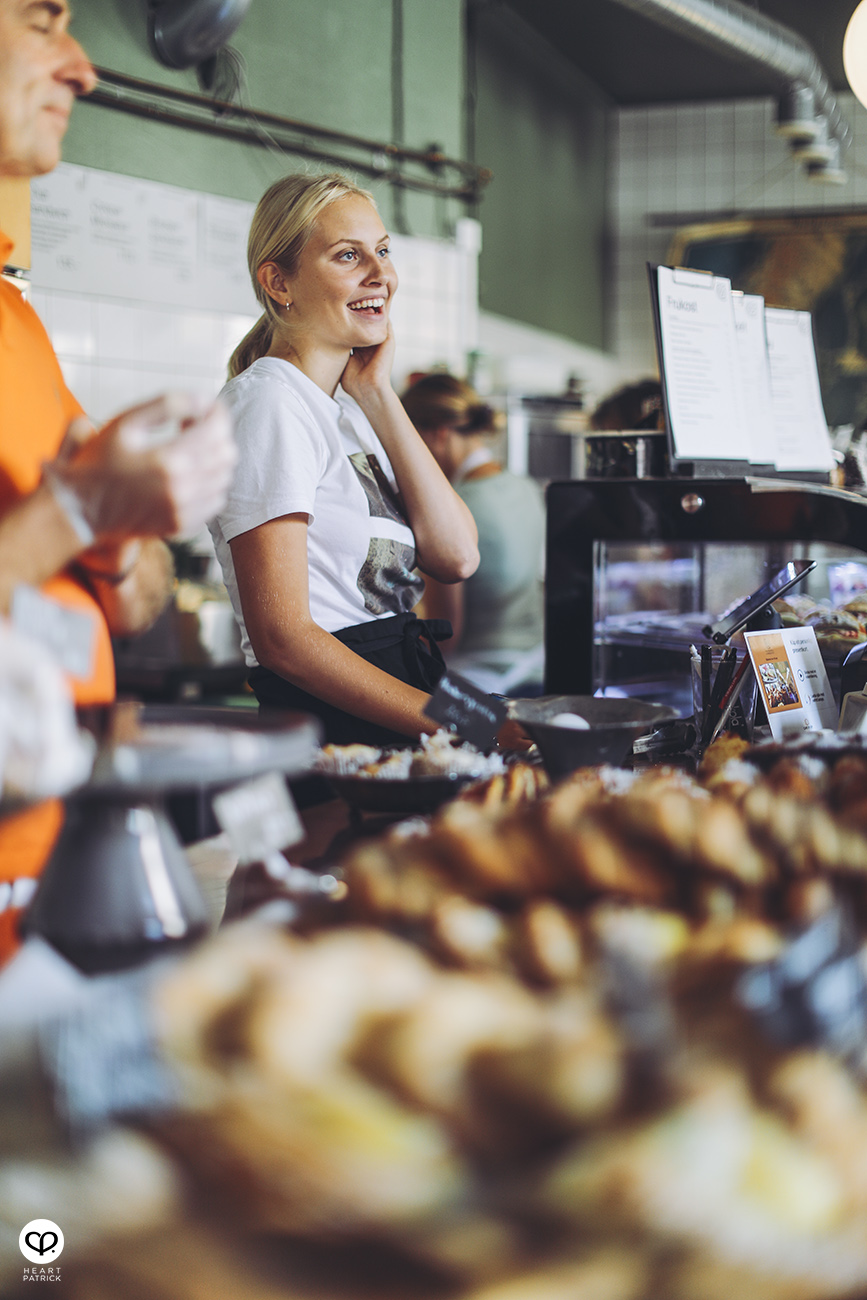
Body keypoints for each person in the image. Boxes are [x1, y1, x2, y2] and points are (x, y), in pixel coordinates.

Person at [0, 0, 238, 961]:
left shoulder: (20, 330)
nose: (85, 69)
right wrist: (76, 510)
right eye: (40, 22)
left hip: (43, 889)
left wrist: (116, 528)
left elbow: (132, 601)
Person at [208, 171, 503, 749]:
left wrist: (377, 393)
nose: (381, 275)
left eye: (384, 251)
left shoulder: (346, 407)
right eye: (348, 255)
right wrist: (473, 724)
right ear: (279, 282)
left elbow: (458, 555)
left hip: (405, 688)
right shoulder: (268, 401)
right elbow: (284, 639)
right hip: (335, 729)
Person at [401, 374, 546, 696]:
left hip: (483, 683)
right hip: (539, 670)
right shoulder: (526, 486)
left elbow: (446, 636)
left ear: (438, 433)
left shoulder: (450, 508)